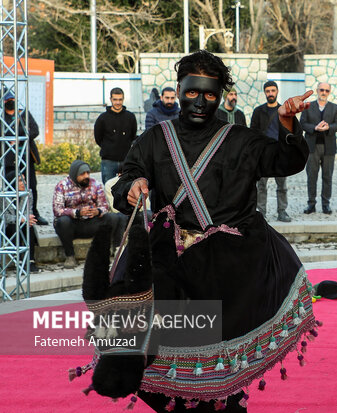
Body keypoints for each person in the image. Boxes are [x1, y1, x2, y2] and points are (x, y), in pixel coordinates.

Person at [105, 50, 318, 412]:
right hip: (171, 263)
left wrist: (285, 122)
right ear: (178, 89)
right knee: (143, 353)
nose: (201, 102)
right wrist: (133, 184)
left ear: (220, 94)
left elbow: (287, 161)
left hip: (228, 268)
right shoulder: (155, 139)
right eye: (192, 93)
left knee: (221, 368)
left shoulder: (242, 140)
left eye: (210, 95)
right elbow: (128, 175)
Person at [52, 160, 122, 269]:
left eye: (88, 173)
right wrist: (77, 213)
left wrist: (97, 211)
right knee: (62, 221)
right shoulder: (62, 186)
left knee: (113, 218)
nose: (86, 176)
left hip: (91, 222)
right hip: (73, 224)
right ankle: (70, 256)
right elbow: (57, 210)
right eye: (82, 174)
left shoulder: (95, 184)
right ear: (75, 175)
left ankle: (107, 252)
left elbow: (104, 206)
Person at [2, 92, 48, 225]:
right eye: (8, 100)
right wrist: (22, 131)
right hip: (9, 160)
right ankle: (12, 216)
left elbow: (34, 130)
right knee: (10, 187)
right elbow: (3, 133)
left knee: (31, 186)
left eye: (12, 99)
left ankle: (34, 213)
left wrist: (16, 137)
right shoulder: (2, 116)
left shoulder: (23, 113)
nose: (11, 101)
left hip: (27, 158)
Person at [251, 81, 292, 222]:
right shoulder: (258, 111)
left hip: (280, 154)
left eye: (273, 91)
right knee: (261, 185)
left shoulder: (285, 111)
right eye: (268, 91)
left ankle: (282, 211)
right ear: (265, 93)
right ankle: (261, 212)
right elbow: (253, 133)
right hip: (264, 154)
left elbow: (289, 133)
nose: (270, 94)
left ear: (277, 91)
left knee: (282, 186)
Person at [300, 82, 337, 214]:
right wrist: (315, 128)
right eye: (322, 90)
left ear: (329, 92)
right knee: (311, 176)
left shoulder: (335, 108)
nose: (324, 92)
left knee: (327, 177)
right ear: (317, 90)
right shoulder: (308, 106)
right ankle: (311, 204)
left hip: (328, 147)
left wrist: (329, 127)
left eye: (327, 90)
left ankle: (326, 204)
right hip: (312, 147)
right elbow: (302, 124)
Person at [94, 87, 137, 184]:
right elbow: (98, 138)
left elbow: (132, 136)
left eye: (120, 99)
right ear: (110, 99)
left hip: (126, 160)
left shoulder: (130, 117)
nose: (118, 102)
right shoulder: (102, 118)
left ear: (123, 99)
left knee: (128, 190)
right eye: (115, 99)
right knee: (108, 190)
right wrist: (108, 148)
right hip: (108, 161)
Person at [2, 171, 39, 272]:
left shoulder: (28, 193)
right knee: (15, 228)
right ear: (12, 182)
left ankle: (30, 261)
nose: (25, 183)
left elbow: (29, 212)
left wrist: (26, 219)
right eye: (20, 181)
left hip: (23, 224)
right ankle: (17, 260)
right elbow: (4, 217)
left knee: (29, 227)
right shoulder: (3, 195)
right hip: (7, 227)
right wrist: (20, 219)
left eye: (24, 180)